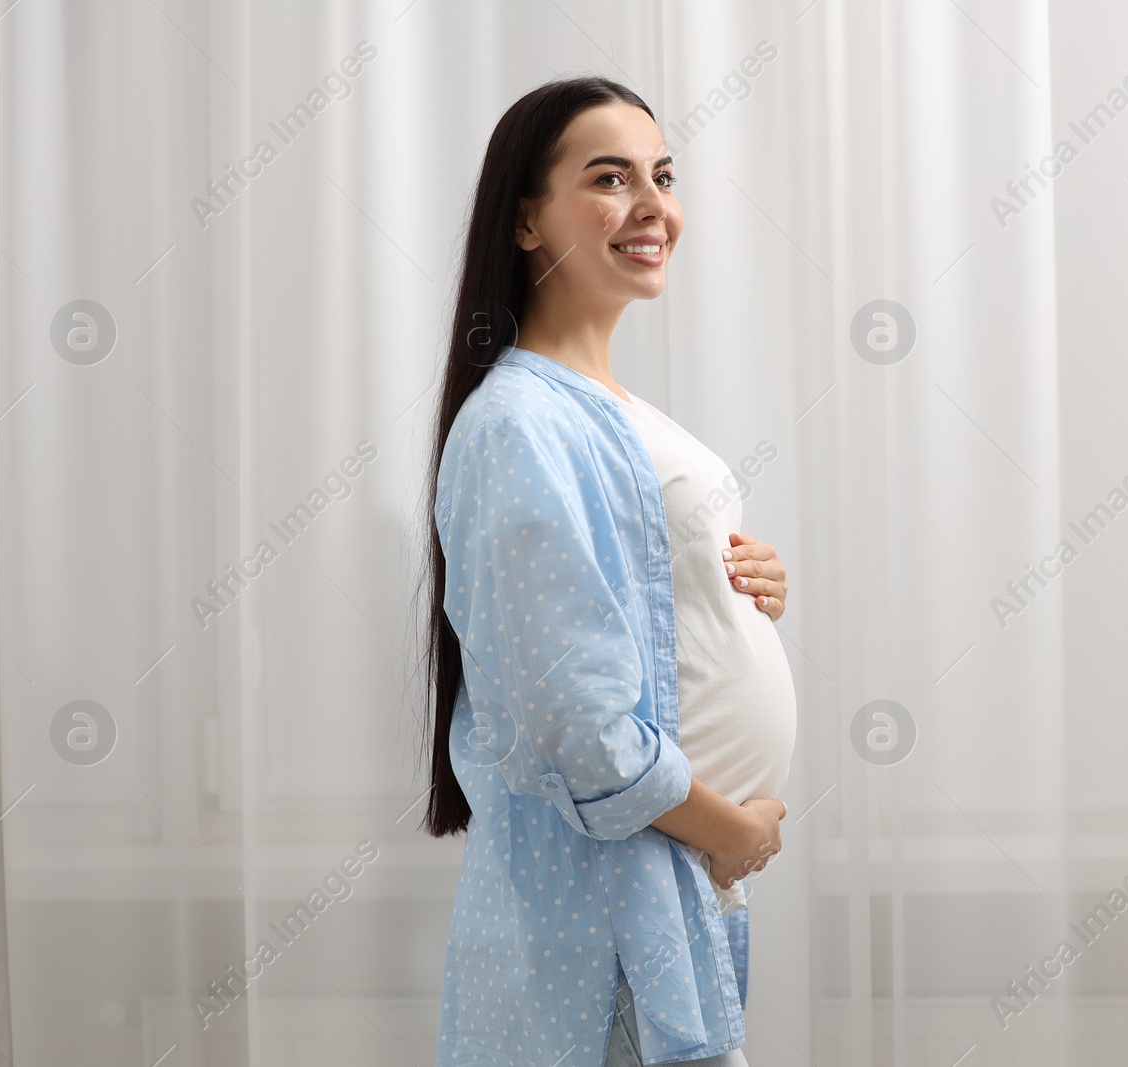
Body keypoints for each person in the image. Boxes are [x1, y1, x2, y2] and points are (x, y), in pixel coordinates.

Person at [418, 76, 799, 1067]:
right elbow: (574, 720)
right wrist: (730, 832)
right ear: (528, 222)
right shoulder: (517, 423)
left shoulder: (604, 408)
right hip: (623, 900)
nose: (653, 206)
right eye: (608, 177)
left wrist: (738, 589)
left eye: (663, 175)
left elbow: (628, 606)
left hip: (676, 883)